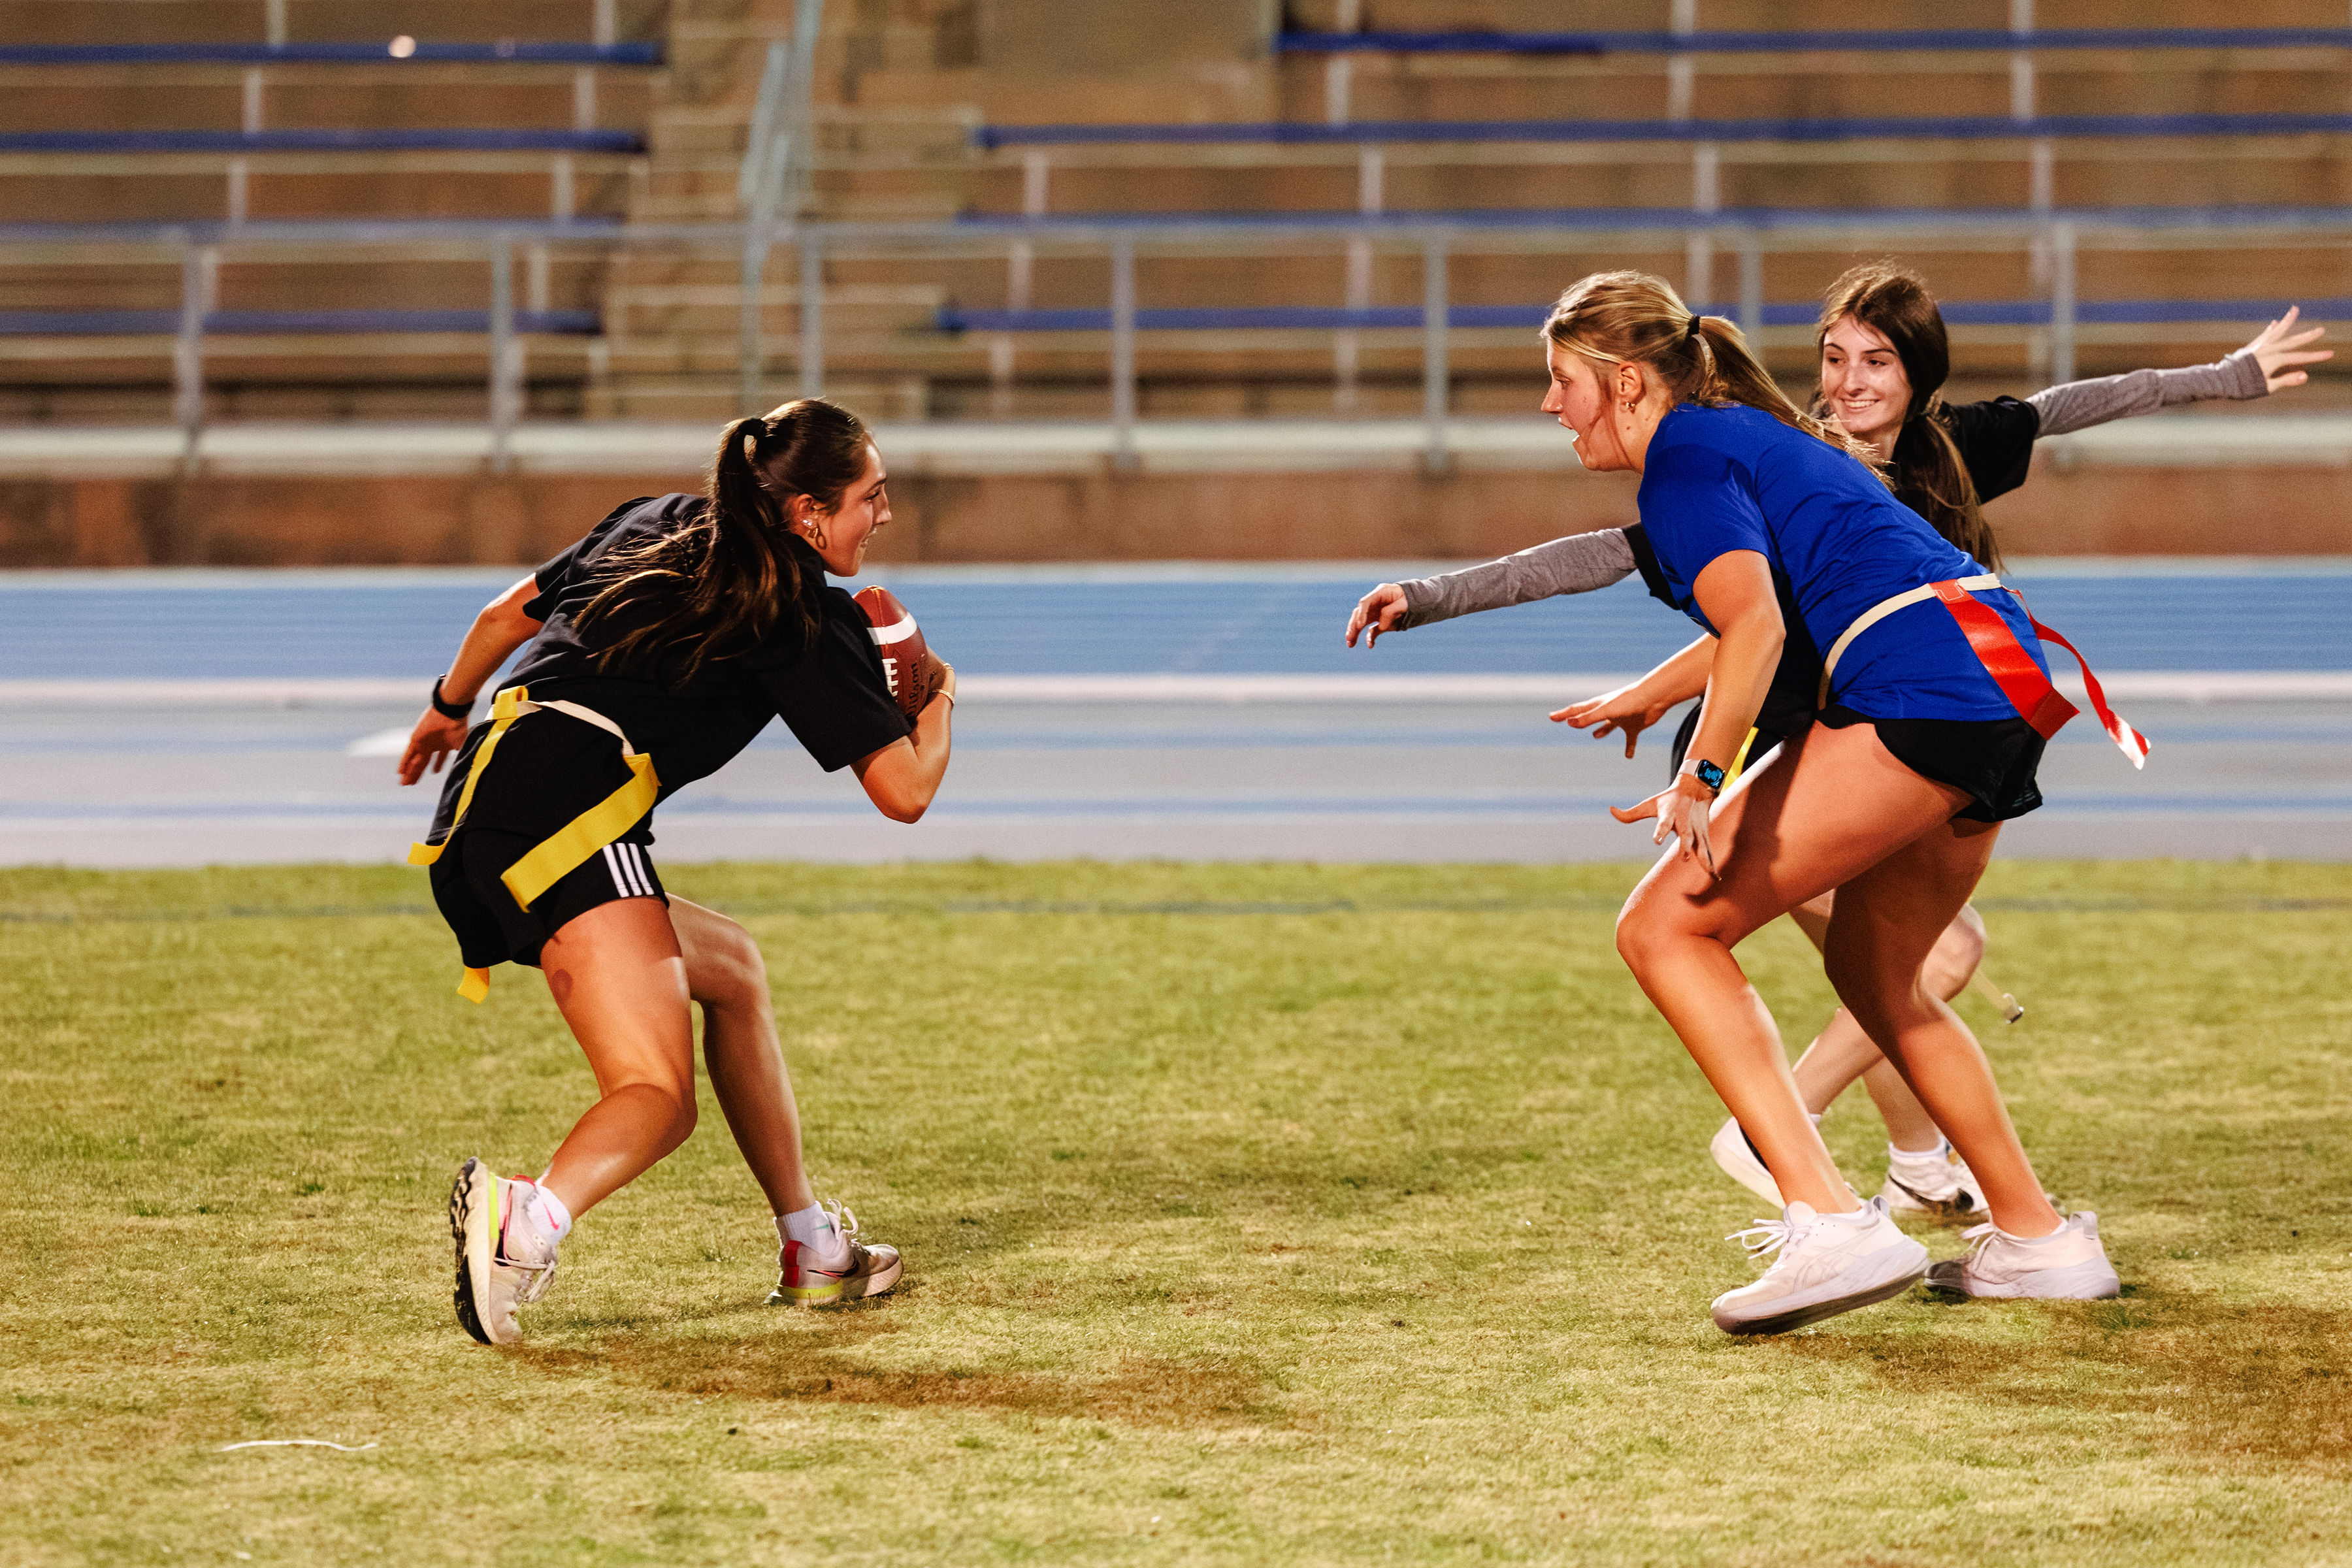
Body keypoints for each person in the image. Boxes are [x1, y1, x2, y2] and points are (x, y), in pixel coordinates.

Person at [1352, 264, 2327, 1220]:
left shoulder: (1917, 452)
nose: (1851, 382)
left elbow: (2078, 404)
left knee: (1883, 960)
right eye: (1835, 357)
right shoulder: (1773, 448)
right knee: (1894, 963)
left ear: (1918, 379)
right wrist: (1461, 607)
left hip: (1907, 710)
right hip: (1805, 727)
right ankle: (1921, 1175)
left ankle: (1831, 1148)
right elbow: (1692, 598)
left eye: (1878, 362)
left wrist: (2232, 375)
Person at [395, 397, 953, 1345]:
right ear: (809, 515)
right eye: (872, 496)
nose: (885, 515)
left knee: (730, 969)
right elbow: (903, 793)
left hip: (488, 805)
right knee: (656, 1095)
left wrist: (448, 706)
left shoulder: (654, 518)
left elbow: (504, 615)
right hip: (564, 813)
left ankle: (811, 1247)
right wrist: (940, 697)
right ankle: (523, 1226)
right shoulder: (799, 617)